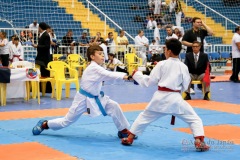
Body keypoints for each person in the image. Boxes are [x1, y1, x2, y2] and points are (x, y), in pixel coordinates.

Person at [121, 39, 210, 152]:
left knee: (144, 117)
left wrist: (136, 74)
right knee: (194, 119)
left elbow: (150, 81)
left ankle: (129, 138)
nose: (165, 50)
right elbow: (186, 84)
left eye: (165, 48)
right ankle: (199, 141)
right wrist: (177, 92)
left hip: (160, 98)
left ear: (169, 51)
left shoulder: (161, 64)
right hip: (176, 99)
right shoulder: (183, 66)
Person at [32, 45, 133, 140]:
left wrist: (126, 77)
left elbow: (107, 75)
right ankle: (45, 124)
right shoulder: (94, 68)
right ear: (92, 56)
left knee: (114, 106)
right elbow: (109, 75)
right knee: (66, 121)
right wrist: (126, 77)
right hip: (83, 99)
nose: (102, 55)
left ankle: (123, 130)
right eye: (99, 54)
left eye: (103, 53)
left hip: (95, 97)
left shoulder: (97, 67)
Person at [32, 22, 52, 93]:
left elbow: (47, 46)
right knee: (41, 73)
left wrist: (37, 46)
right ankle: (41, 88)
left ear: (40, 27)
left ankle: (47, 89)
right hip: (41, 57)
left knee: (45, 73)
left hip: (44, 58)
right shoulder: (42, 34)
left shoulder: (46, 35)